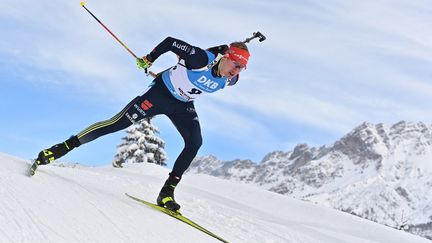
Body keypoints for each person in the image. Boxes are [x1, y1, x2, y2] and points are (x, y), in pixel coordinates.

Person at [32, 36, 250, 212]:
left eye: (242, 68)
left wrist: (224, 50)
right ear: (226, 57)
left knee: (195, 142)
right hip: (159, 95)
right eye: (235, 64)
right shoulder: (201, 59)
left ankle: (167, 192)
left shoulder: (232, 79)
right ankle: (60, 149)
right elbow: (170, 42)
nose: (236, 70)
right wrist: (149, 58)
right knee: (114, 124)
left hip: (182, 106)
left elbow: (224, 64)